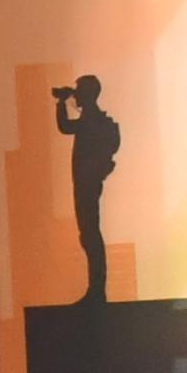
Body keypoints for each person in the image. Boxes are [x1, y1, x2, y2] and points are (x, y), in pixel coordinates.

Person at [53, 73, 120, 302]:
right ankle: (96, 288)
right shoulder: (91, 119)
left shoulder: (92, 121)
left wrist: (62, 102)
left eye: (80, 90)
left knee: (90, 234)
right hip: (85, 183)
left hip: (87, 184)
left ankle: (97, 289)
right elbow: (66, 127)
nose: (77, 95)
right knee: (88, 234)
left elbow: (65, 126)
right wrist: (63, 102)